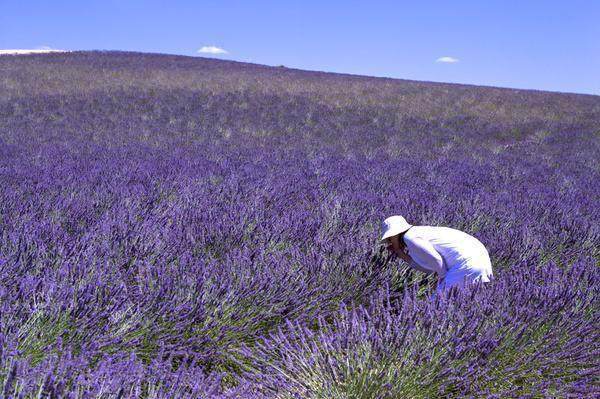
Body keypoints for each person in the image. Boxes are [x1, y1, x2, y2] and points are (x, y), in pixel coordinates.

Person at [380, 215, 493, 297]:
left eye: (389, 238)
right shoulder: (418, 232)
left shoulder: (410, 238)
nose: (390, 242)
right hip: (480, 259)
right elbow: (429, 268)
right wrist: (400, 254)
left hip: (467, 264)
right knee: (464, 302)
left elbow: (436, 260)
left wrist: (442, 278)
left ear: (395, 234)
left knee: (435, 307)